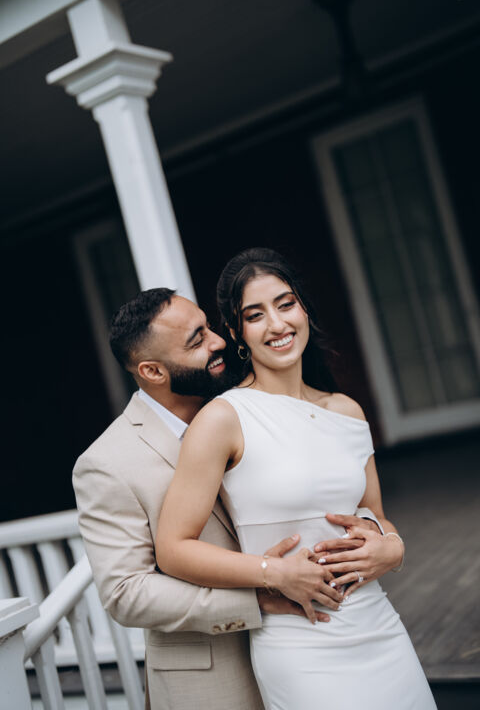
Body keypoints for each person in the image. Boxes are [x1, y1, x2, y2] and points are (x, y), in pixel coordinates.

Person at [73, 288, 388, 710]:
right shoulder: (107, 463)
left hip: (314, 648)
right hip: (215, 679)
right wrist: (257, 595)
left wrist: (381, 536)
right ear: (152, 371)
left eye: (208, 327)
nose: (219, 341)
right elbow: (126, 592)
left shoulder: (251, 407)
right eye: (197, 340)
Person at [157, 248, 437, 710]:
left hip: (379, 626)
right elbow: (173, 548)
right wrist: (274, 573)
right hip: (301, 642)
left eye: (286, 304)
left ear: (304, 309)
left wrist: (393, 548)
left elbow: (375, 517)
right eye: (255, 315)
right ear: (236, 331)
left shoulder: (348, 411)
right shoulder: (224, 419)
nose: (277, 324)